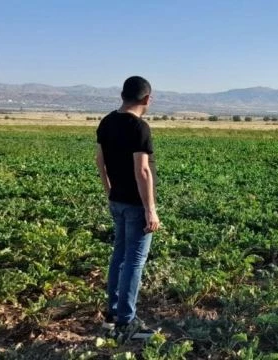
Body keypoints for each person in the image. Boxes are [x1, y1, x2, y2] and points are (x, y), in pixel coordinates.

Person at [95, 76, 161, 342]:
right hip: (135, 204)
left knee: (119, 255)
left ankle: (113, 315)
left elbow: (100, 161)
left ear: (123, 95)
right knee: (134, 261)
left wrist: (109, 190)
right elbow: (142, 170)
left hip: (117, 201)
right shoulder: (139, 128)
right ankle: (126, 323)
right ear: (147, 99)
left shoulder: (106, 122)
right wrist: (150, 209)